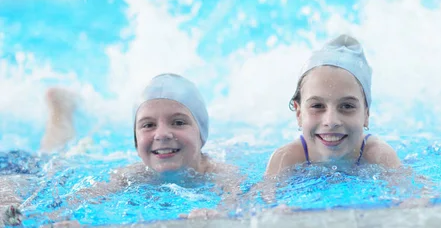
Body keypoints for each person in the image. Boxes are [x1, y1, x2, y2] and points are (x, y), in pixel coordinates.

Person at [40, 74, 241, 227]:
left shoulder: (221, 175)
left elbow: (236, 204)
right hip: (87, 157)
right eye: (148, 125)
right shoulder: (130, 176)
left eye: (178, 122)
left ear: (202, 134)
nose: (162, 134)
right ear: (136, 143)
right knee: (56, 159)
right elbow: (74, 201)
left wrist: (218, 216)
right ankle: (61, 108)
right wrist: (58, 219)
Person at [266, 34, 408, 176]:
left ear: (366, 114)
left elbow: (415, 196)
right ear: (299, 113)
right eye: (317, 106)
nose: (331, 121)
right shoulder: (286, 159)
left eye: (347, 106)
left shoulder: (380, 156)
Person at [1, 87, 78, 226]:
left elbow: (10, 212)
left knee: (54, 158)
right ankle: (60, 108)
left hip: (14, 178)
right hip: (14, 178)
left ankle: (61, 109)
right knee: (51, 155)